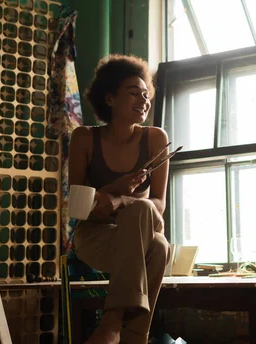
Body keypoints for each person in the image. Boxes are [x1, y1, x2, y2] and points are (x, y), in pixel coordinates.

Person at [69, 54, 171, 344]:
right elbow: (79, 207)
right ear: (110, 99)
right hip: (95, 238)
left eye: (145, 93)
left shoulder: (155, 138)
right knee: (160, 248)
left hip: (141, 232)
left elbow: (159, 205)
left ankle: (113, 327)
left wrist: (121, 202)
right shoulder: (84, 138)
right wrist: (117, 188)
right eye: (132, 93)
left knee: (143, 215)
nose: (143, 99)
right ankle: (127, 330)